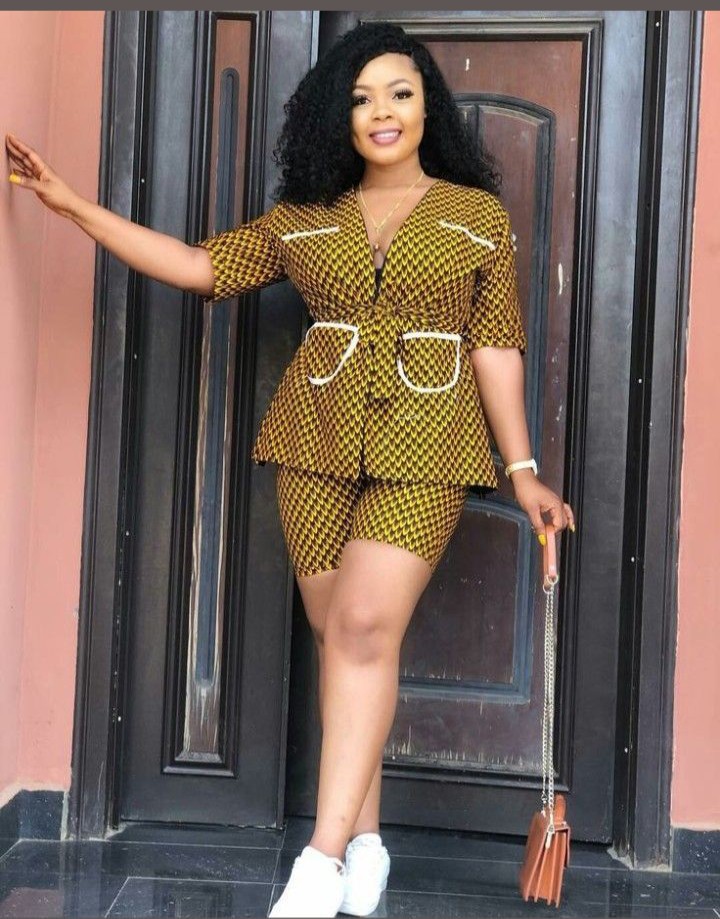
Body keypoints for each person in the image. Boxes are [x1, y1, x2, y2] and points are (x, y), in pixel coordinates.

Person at [5, 20, 576, 919]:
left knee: (362, 627)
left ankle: (318, 861)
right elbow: (199, 267)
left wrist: (523, 467)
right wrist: (72, 205)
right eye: (361, 98)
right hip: (313, 441)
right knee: (341, 642)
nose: (382, 112)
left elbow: (495, 345)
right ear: (336, 117)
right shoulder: (306, 216)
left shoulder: (475, 216)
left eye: (400, 93)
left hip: (428, 443)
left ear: (428, 105)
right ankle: (367, 845)